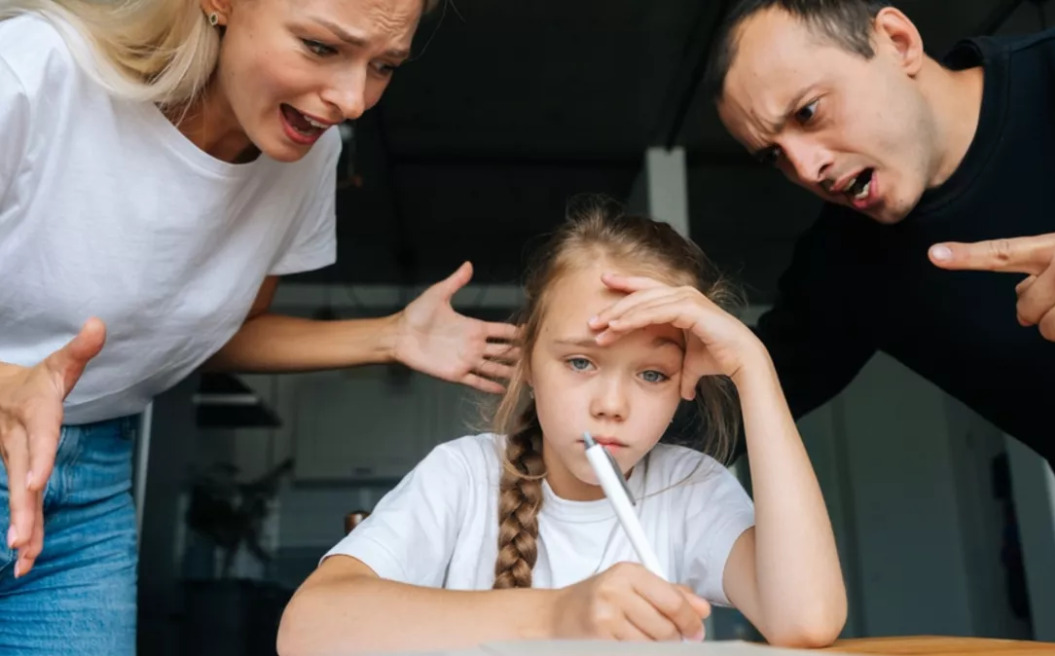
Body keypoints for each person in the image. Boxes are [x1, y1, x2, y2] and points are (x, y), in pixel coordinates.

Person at [0, 0, 517, 652]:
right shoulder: (34, 70)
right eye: (321, 47)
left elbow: (220, 333)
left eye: (383, 65)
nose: (353, 100)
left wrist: (392, 336)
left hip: (90, 486)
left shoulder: (305, 157)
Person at [708, 0, 1055, 646]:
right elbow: (722, 410)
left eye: (809, 112)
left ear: (896, 41)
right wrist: (568, 372)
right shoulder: (846, 264)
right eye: (773, 155)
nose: (806, 168)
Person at [275, 198, 848, 655]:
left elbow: (807, 621)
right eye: (580, 362)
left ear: (685, 381)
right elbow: (307, 630)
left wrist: (754, 368)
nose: (612, 405)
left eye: (652, 374)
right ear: (528, 362)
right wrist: (558, 615)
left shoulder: (687, 488)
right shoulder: (465, 477)